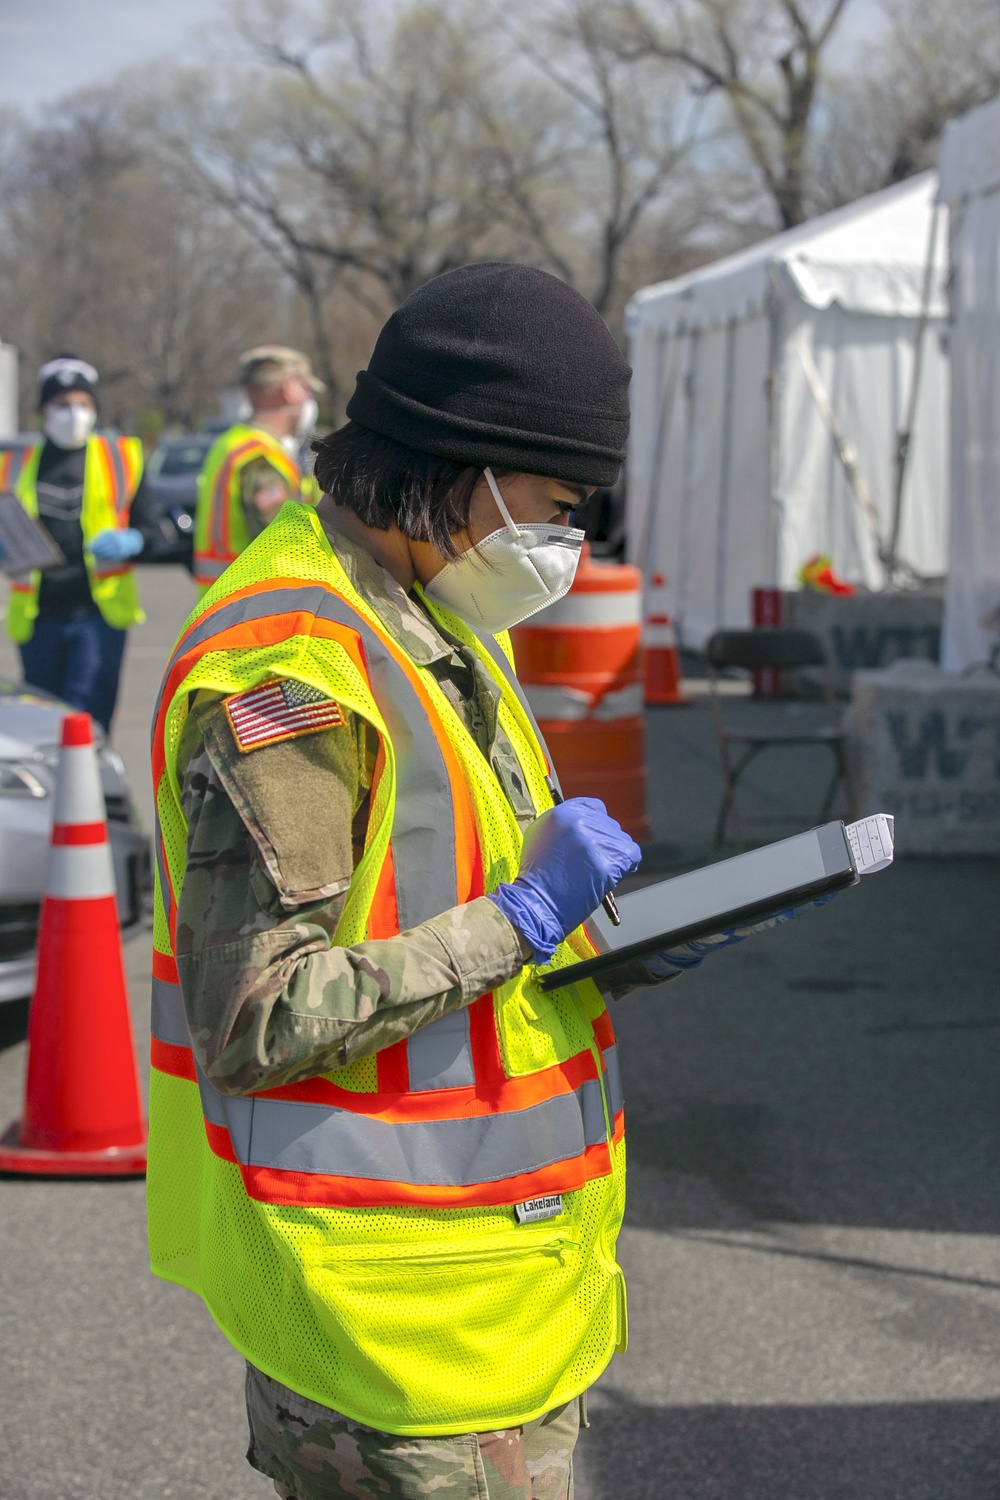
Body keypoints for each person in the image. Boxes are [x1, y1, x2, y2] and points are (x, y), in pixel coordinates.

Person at [147, 264, 796, 1500]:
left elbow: (440, 898)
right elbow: (258, 1015)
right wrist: (522, 919)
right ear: (464, 468)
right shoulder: (293, 668)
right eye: (557, 504)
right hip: (393, 1331)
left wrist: (604, 939)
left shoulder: (423, 611)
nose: (569, 542)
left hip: (481, 1300)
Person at [2, 355, 159, 733]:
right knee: (40, 723)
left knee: (86, 720)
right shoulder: (13, 463)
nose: (74, 413)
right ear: (43, 410)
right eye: (62, 404)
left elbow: (155, 529)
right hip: (38, 617)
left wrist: (133, 540)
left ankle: (92, 792)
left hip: (96, 614)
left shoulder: (121, 457)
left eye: (83, 404)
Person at [193, 345, 324, 594]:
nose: (309, 399)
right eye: (306, 388)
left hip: (225, 604)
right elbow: (283, 547)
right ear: (289, 390)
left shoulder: (230, 444)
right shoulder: (260, 458)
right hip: (250, 608)